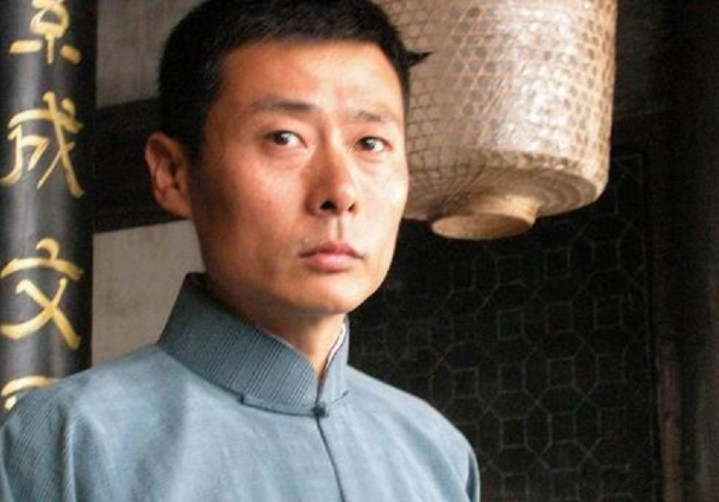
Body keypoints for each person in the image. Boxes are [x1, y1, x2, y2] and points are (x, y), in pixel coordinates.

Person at [0, 0, 480, 500]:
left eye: (371, 143)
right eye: (284, 138)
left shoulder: (437, 454)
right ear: (173, 172)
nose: (341, 191)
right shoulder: (68, 442)